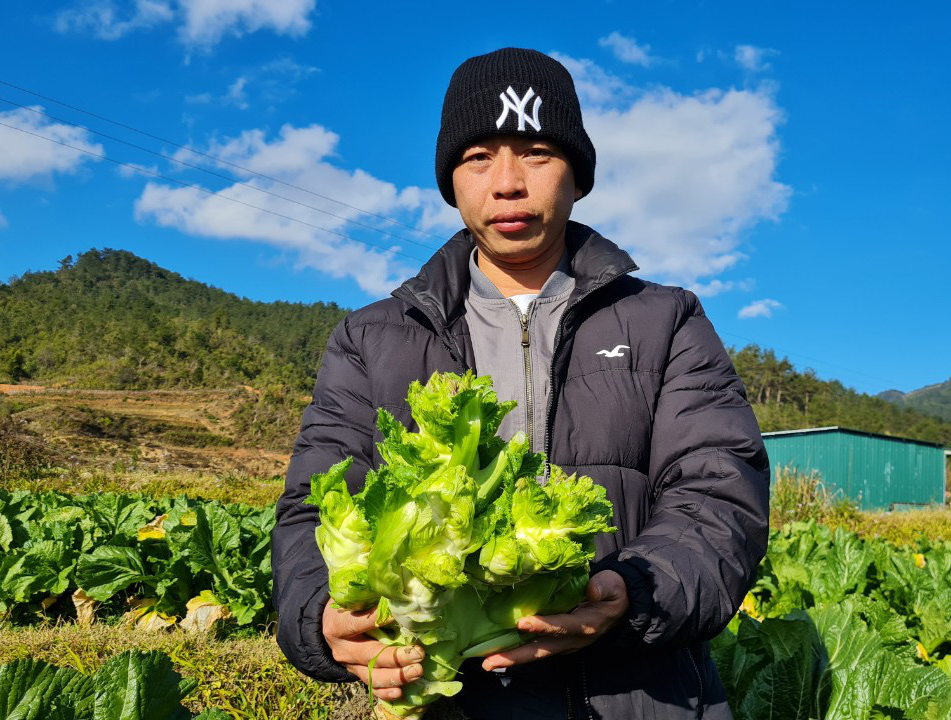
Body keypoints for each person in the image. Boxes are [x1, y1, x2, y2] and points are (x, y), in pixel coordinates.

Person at [272, 47, 770, 719]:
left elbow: (719, 493)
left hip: (640, 693)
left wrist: (633, 593)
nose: (507, 182)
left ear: (578, 175)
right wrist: (318, 614)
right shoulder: (371, 338)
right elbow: (314, 505)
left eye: (536, 151)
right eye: (479, 157)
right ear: (451, 179)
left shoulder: (665, 319)